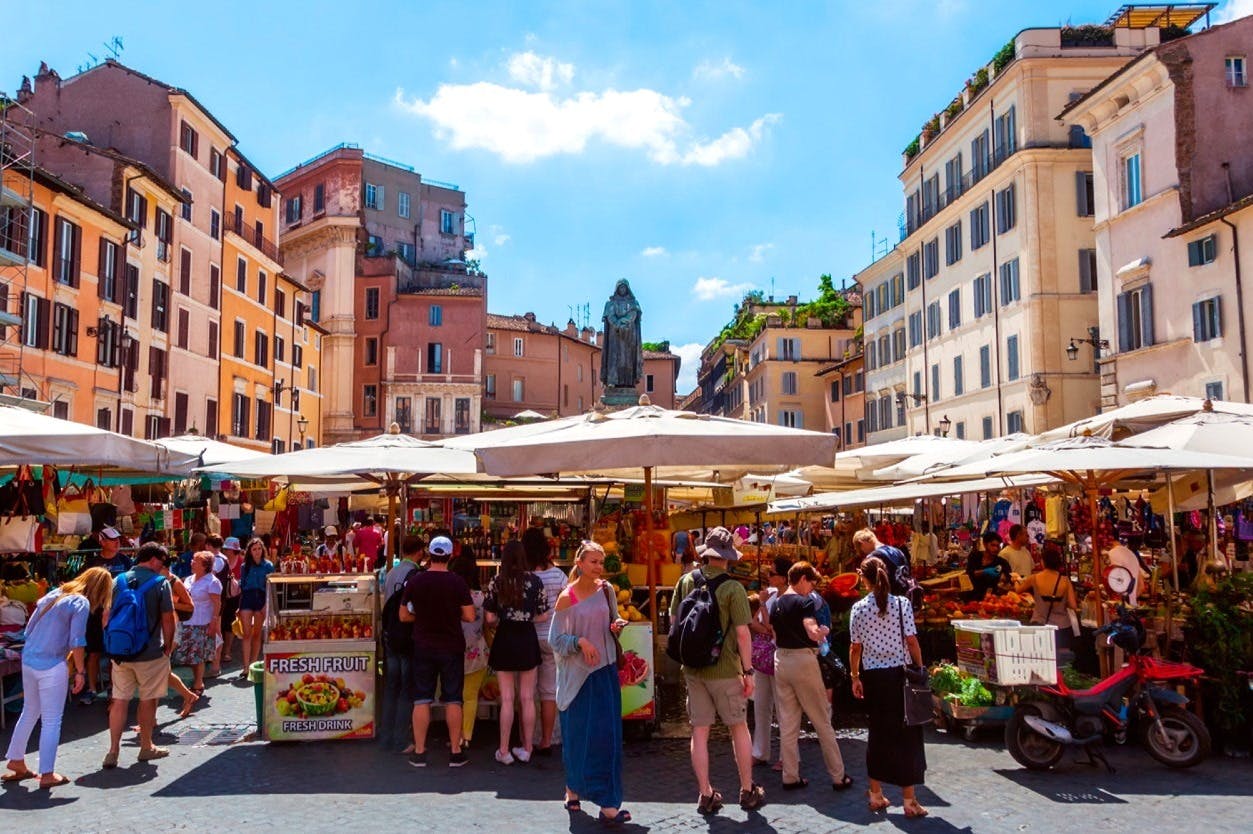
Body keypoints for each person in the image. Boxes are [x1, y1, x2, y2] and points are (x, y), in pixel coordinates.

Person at [668, 526, 765, 815]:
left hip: (693, 670)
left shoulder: (685, 581)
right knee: (738, 728)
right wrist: (748, 672)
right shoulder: (733, 588)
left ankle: (705, 793)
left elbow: (674, 622)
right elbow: (744, 634)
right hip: (725, 670)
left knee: (699, 732)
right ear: (728, 557)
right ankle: (747, 790)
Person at [3, 567, 113, 789]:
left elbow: (29, 629)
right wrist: (80, 672)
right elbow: (77, 640)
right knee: (52, 720)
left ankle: (16, 760)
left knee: (29, 712)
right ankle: (47, 773)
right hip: (51, 663)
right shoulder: (80, 603)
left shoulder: (54, 593)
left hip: (30, 659)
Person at [548, 542, 631, 824]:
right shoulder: (566, 598)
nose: (598, 567)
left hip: (605, 672)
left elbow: (613, 617)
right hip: (577, 678)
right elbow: (554, 640)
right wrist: (580, 642)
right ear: (580, 563)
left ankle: (608, 803)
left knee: (606, 739)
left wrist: (617, 623)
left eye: (601, 562)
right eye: (593, 562)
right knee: (577, 738)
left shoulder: (606, 590)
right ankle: (572, 789)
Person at [849, 556, 928, 818]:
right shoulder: (901, 604)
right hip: (900, 676)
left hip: (874, 678)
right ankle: (909, 800)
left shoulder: (858, 608)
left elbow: (855, 647)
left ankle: (875, 794)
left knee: (878, 735)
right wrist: (920, 667)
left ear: (865, 578)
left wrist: (855, 676)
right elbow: (912, 641)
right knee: (907, 737)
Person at [770, 561, 852, 792]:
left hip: (781, 661)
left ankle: (790, 776)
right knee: (822, 721)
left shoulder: (776, 603)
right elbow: (809, 625)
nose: (812, 589)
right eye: (811, 583)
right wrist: (819, 632)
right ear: (803, 579)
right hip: (803, 662)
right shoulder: (803, 601)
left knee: (787, 723)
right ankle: (838, 776)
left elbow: (773, 633)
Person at [399, 536, 475, 768]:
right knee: (453, 699)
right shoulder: (458, 582)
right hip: (451, 645)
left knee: (421, 699)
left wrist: (420, 617)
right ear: (451, 555)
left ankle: (420, 751)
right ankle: (455, 751)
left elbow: (403, 616)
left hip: (423, 645)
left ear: (429, 554)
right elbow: (470, 616)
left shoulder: (416, 581)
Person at [104, 542, 176, 769]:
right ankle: (146, 746)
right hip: (150, 652)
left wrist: (111, 643)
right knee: (148, 699)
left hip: (121, 653)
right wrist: (169, 645)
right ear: (154, 559)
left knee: (119, 700)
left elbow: (105, 617)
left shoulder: (118, 580)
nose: (162, 568)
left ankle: (113, 751)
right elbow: (168, 618)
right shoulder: (161, 584)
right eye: (162, 563)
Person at [484, 540, 550, 765]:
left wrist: (504, 618)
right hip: (527, 638)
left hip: (504, 638)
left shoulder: (497, 581)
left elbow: (490, 618)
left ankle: (503, 750)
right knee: (527, 697)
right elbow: (544, 614)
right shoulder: (535, 581)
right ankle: (528, 748)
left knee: (508, 699)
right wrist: (527, 617)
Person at [525, 524, 567, 755]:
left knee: (527, 693)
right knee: (550, 692)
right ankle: (547, 741)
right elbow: (569, 605)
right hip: (553, 638)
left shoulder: (524, 577)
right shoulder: (558, 575)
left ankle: (528, 739)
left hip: (528, 639)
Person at [380, 535, 423, 753]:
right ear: (420, 552)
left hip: (390, 636)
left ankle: (385, 734)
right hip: (406, 636)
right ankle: (401, 738)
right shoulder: (414, 574)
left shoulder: (389, 574)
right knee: (406, 689)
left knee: (391, 686)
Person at [751, 557, 790, 769]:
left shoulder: (788, 599)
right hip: (765, 657)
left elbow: (769, 623)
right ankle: (760, 751)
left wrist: (767, 622)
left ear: (784, 578)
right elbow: (755, 623)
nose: (769, 577)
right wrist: (768, 628)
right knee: (761, 704)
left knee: (783, 707)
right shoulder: (772, 595)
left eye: (772, 574)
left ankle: (787, 755)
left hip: (780, 657)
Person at [449, 545, 489, 751]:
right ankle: (466, 735)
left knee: (454, 696)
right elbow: (488, 623)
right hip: (477, 651)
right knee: (470, 696)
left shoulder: (450, 597)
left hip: (452, 650)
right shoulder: (480, 598)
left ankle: (455, 737)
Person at [172, 552, 221, 700]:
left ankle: (198, 684)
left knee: (198, 655)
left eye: (196, 561)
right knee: (191, 655)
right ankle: (197, 681)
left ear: (205, 565)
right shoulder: (188, 579)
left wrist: (213, 623)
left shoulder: (212, 582)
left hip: (202, 622)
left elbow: (217, 604)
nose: (192, 562)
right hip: (187, 621)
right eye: (193, 560)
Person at [1015, 542, 1078, 654]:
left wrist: (1015, 579)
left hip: (1039, 625)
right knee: (1062, 662)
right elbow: (1073, 605)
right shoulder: (1065, 581)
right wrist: (1061, 602)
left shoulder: (1034, 578)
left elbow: (1018, 590)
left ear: (1043, 562)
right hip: (1062, 628)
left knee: (1041, 657)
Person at [158, 560, 200, 718]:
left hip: (173, 629)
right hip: (161, 628)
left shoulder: (174, 582)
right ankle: (188, 696)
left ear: (165, 566)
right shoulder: (157, 581)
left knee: (157, 672)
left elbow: (190, 606)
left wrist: (169, 605)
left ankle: (149, 719)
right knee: (162, 672)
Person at [236, 537, 275, 679]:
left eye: (259, 549)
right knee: (246, 633)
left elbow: (271, 586)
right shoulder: (245, 566)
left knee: (257, 634)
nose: (257, 551)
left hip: (261, 598)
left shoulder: (268, 565)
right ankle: (245, 667)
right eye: (254, 549)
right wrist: (239, 605)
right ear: (250, 552)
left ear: (262, 550)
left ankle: (253, 664)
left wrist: (266, 604)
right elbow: (242, 586)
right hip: (247, 598)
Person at [212, 536, 242, 673]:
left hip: (234, 596)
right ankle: (219, 650)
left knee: (229, 622)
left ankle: (227, 650)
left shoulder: (241, 562)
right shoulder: (219, 560)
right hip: (221, 595)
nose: (227, 551)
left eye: (228, 549)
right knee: (221, 622)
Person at [965, 532, 1012, 600]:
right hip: (971, 597)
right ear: (985, 544)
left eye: (998, 546)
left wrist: (1004, 579)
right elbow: (969, 574)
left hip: (991, 599)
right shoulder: (974, 556)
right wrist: (984, 571)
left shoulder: (1002, 562)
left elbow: (1009, 578)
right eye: (993, 545)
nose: (996, 549)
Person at [1106, 536, 1147, 606]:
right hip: (1130, 604)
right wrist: (1132, 598)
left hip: (1120, 604)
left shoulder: (1113, 553)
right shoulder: (1131, 554)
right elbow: (1141, 587)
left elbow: (1114, 580)